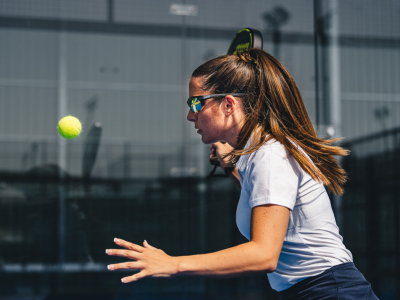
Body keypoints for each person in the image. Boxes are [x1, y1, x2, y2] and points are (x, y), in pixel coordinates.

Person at [106, 49, 378, 299]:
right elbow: (269, 204)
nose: (190, 115)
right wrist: (233, 168)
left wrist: (173, 264)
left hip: (332, 291)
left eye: (196, 103)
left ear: (228, 105)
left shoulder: (270, 155)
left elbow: (263, 254)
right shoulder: (259, 153)